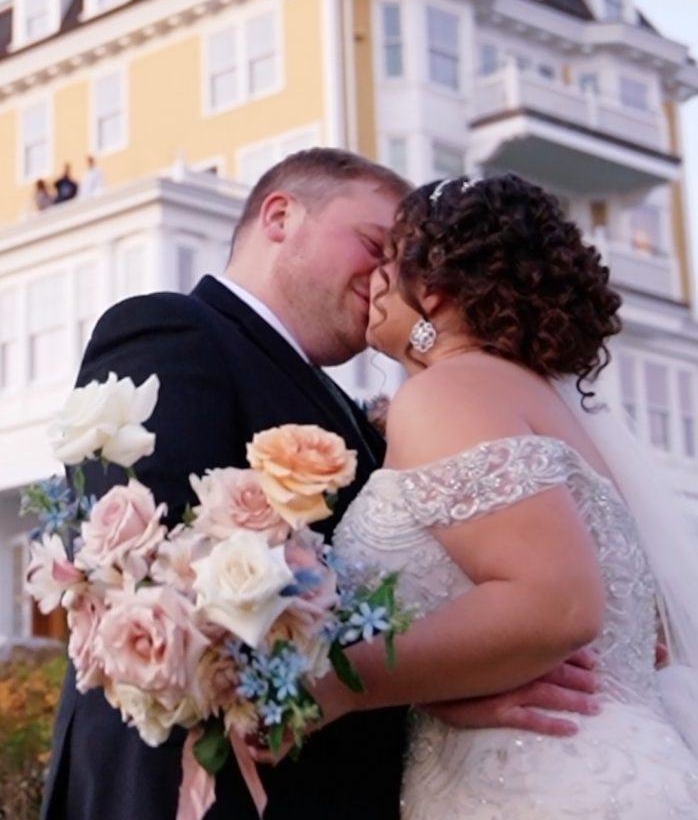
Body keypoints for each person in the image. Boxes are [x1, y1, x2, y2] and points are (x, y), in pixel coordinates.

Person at [41, 151, 599, 820]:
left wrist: (453, 678)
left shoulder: (368, 415)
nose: (389, 275)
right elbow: (150, 575)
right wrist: (421, 687)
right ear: (280, 216)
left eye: (404, 262)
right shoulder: (173, 332)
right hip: (186, 791)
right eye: (374, 244)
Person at [313, 172, 698, 817]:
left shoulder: (446, 393)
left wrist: (339, 685)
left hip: (540, 785)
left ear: (432, 288)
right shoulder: (546, 408)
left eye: (389, 259)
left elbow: (559, 604)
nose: (373, 280)